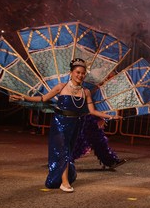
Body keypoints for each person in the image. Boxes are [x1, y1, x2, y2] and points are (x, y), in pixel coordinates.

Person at [9, 57, 116, 192]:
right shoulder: (61, 87)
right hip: (59, 123)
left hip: (75, 124)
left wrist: (110, 116)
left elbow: (92, 111)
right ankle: (65, 183)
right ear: (71, 73)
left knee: (68, 152)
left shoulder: (86, 92)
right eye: (77, 72)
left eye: (82, 73)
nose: (80, 75)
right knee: (63, 150)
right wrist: (23, 97)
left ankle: (62, 178)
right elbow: (42, 99)